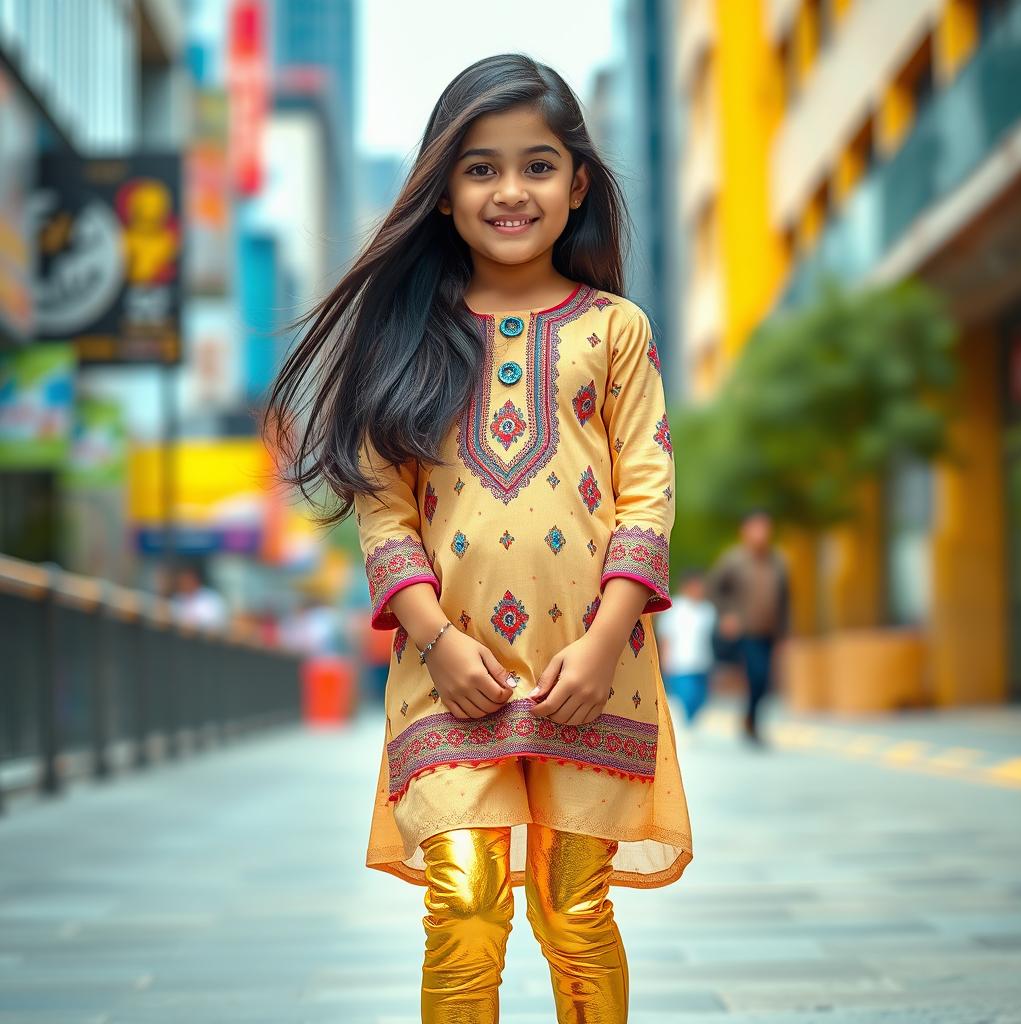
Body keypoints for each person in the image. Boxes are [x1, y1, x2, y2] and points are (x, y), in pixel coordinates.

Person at [264, 54, 692, 1023]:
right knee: (464, 905)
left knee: (572, 908)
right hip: (447, 670)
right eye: (480, 168)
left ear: (577, 185)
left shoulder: (616, 330)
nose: (511, 191)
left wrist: (598, 644)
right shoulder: (406, 338)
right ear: (443, 193)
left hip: (595, 667)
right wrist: (439, 641)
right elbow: (383, 508)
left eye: (538, 166)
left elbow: (648, 489)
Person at [705, 510, 790, 746]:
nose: (761, 533)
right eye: (755, 528)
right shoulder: (733, 560)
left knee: (765, 682)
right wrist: (727, 614)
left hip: (769, 631)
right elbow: (713, 589)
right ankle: (751, 721)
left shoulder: (778, 561)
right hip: (746, 630)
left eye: (765, 528)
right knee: (757, 673)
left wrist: (785, 633)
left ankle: (751, 719)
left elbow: (785, 600)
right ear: (745, 531)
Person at [657, 570, 717, 727]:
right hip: (680, 663)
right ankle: (683, 727)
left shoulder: (708, 610)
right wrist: (664, 660)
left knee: (700, 699)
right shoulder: (674, 609)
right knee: (685, 698)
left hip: (702, 663)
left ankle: (690, 725)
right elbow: (666, 636)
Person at [169, 564, 227, 630]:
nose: (185, 583)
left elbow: (218, 623)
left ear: (196, 580)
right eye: (183, 580)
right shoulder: (177, 598)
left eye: (188, 579)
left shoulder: (212, 598)